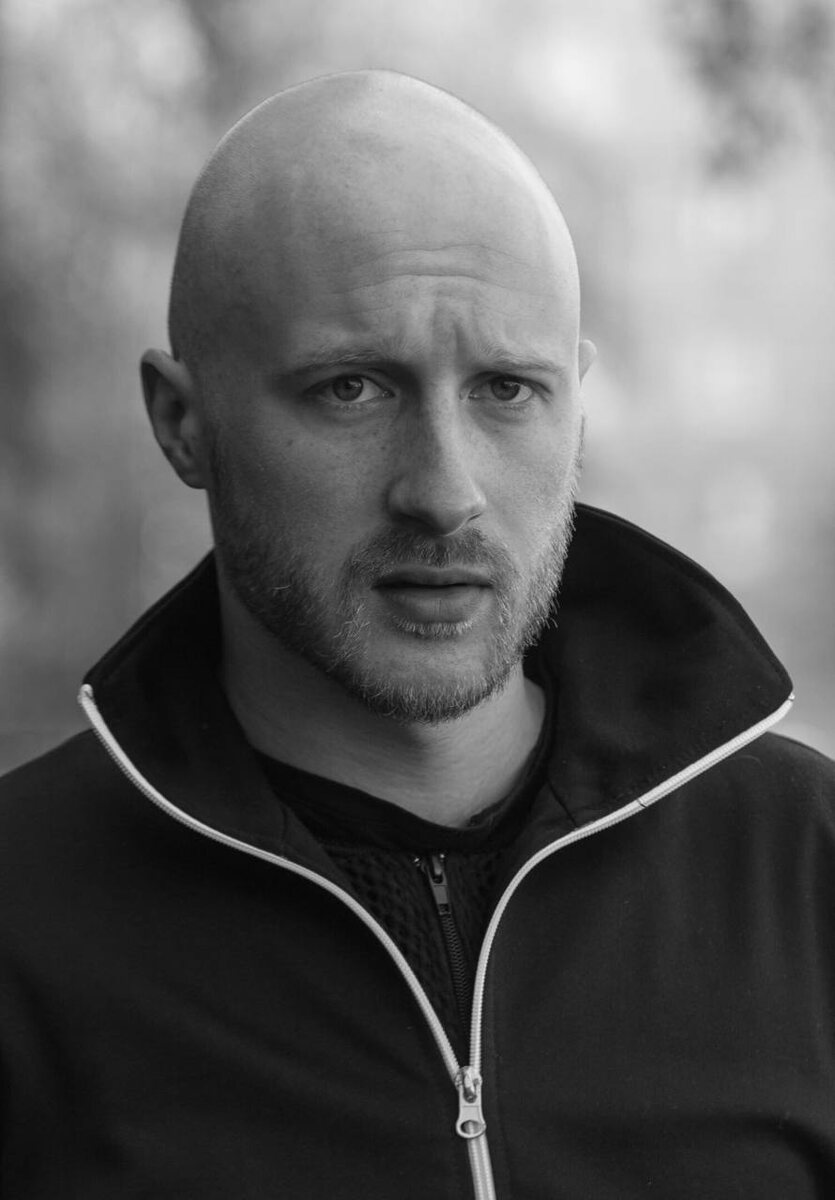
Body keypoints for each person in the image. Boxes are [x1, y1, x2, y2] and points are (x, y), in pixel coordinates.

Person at [0, 69, 833, 1200]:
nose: (445, 494)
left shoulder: (803, 866)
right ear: (182, 422)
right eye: (352, 389)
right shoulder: (24, 919)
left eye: (506, 389)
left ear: (576, 405)